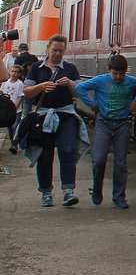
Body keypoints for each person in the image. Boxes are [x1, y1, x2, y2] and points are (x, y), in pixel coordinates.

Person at [74, 54, 136, 209]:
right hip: (103, 123)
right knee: (99, 159)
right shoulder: (101, 80)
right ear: (108, 70)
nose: (118, 77)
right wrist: (91, 103)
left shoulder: (130, 81)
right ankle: (97, 188)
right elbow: (80, 88)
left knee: (121, 162)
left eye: (122, 74)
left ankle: (119, 196)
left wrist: (135, 102)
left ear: (126, 72)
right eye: (115, 73)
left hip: (122, 124)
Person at [22, 34, 85, 207]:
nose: (57, 54)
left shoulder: (70, 68)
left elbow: (80, 93)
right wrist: (41, 87)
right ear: (48, 49)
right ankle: (46, 192)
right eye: (54, 50)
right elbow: (27, 91)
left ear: (65, 51)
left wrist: (70, 84)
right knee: (44, 154)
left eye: (61, 51)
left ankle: (68, 191)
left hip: (66, 115)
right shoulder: (36, 67)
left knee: (68, 149)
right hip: (42, 117)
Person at [2, 64, 24, 153]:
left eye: (16, 72)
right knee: (9, 127)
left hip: (16, 110)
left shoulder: (20, 84)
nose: (13, 73)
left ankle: (14, 144)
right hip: (6, 110)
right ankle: (12, 141)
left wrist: (15, 107)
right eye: (12, 71)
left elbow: (20, 97)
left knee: (15, 126)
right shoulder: (5, 83)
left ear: (19, 74)